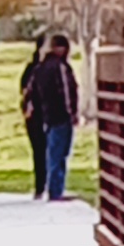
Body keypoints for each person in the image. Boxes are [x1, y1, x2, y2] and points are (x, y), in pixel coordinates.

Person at [27, 31, 80, 200]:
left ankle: (53, 188)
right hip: (61, 116)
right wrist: (72, 113)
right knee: (60, 154)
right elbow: (66, 91)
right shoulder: (60, 67)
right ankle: (56, 191)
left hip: (47, 116)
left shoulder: (39, 68)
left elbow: (30, 92)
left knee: (52, 152)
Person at [16, 39, 49, 197]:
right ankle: (41, 185)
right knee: (39, 150)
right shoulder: (33, 69)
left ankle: (48, 185)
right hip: (36, 115)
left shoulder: (52, 67)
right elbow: (24, 91)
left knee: (48, 150)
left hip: (46, 114)